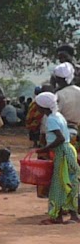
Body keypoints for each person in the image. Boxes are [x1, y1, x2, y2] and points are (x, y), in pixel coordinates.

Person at [36, 91, 79, 225]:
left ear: (43, 107)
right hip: (69, 150)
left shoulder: (51, 119)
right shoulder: (58, 116)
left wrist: (45, 148)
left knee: (58, 184)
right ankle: (72, 215)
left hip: (62, 151)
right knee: (70, 182)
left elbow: (59, 138)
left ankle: (57, 216)